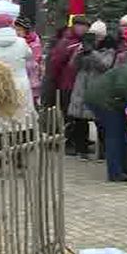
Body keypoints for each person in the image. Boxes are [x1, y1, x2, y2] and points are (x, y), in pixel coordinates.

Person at [84, 60, 127, 181]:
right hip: (102, 100)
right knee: (114, 135)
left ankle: (126, 168)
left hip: (109, 99)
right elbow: (121, 87)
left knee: (123, 132)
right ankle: (115, 173)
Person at [67, 27, 115, 159]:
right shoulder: (82, 50)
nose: (96, 40)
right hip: (81, 87)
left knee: (100, 122)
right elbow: (73, 66)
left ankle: (103, 151)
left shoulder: (108, 51)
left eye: (98, 37)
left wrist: (92, 52)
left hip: (97, 87)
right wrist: (79, 53)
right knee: (80, 121)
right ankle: (81, 149)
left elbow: (105, 66)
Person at [49, 16, 90, 157]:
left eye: (86, 27)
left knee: (79, 115)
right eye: (82, 26)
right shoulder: (66, 42)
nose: (84, 29)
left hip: (80, 84)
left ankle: (80, 142)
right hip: (67, 84)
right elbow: (55, 63)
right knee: (69, 115)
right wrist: (56, 81)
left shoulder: (83, 41)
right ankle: (68, 143)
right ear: (75, 26)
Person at [0, 14, 35, 121]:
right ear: (11, 26)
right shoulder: (21, 42)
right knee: (21, 114)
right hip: (19, 83)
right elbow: (29, 55)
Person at [15, 17, 43, 107]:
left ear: (26, 30)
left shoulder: (34, 43)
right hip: (20, 80)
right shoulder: (17, 42)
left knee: (31, 105)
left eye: (19, 30)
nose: (17, 32)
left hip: (32, 80)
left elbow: (35, 62)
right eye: (15, 30)